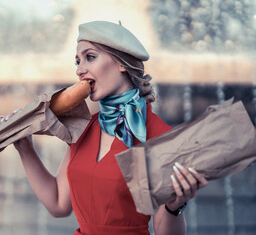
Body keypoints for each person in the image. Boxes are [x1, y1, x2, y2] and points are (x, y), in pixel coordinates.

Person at [13, 20, 208, 235]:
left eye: (90, 57)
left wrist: (175, 206)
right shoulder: (83, 128)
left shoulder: (160, 137)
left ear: (121, 63)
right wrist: (24, 147)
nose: (79, 70)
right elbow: (59, 204)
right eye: (77, 61)